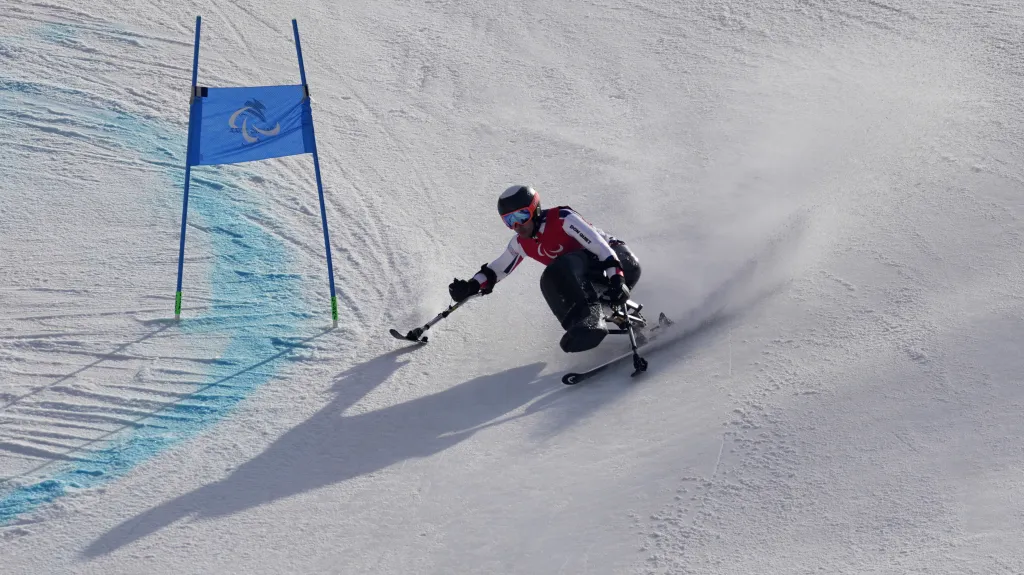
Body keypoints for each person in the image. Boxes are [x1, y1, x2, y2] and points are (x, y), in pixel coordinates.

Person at [448, 184, 642, 353]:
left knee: (561, 267)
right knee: (549, 279)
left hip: (620, 263)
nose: (517, 225)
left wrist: (617, 278)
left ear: (535, 210)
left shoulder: (562, 219)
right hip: (588, 280)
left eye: (522, 216)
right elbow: (497, 269)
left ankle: (590, 320)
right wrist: (471, 286)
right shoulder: (520, 243)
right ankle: (580, 326)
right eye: (509, 221)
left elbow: (601, 247)